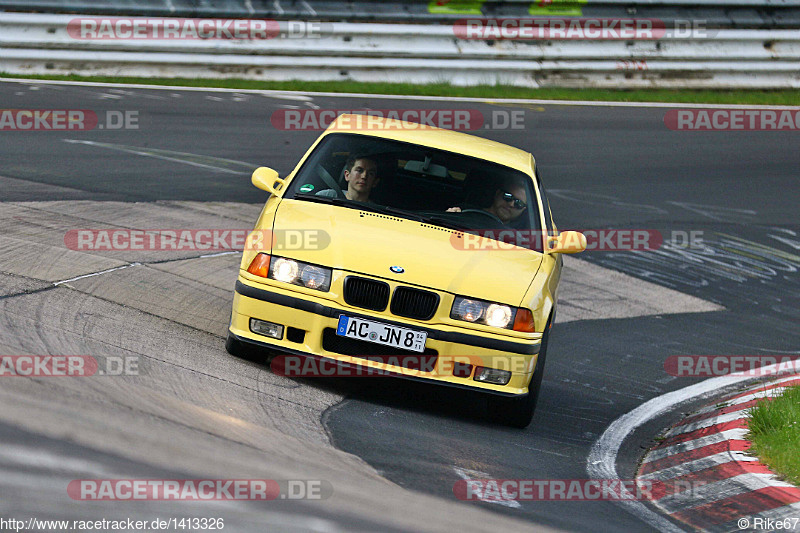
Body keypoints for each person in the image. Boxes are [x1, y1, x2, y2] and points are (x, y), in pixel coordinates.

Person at [447, 176, 528, 224]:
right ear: (498, 193)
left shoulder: (518, 239)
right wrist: (449, 217)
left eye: (519, 203)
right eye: (508, 197)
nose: (511, 204)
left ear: (523, 209)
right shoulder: (464, 211)